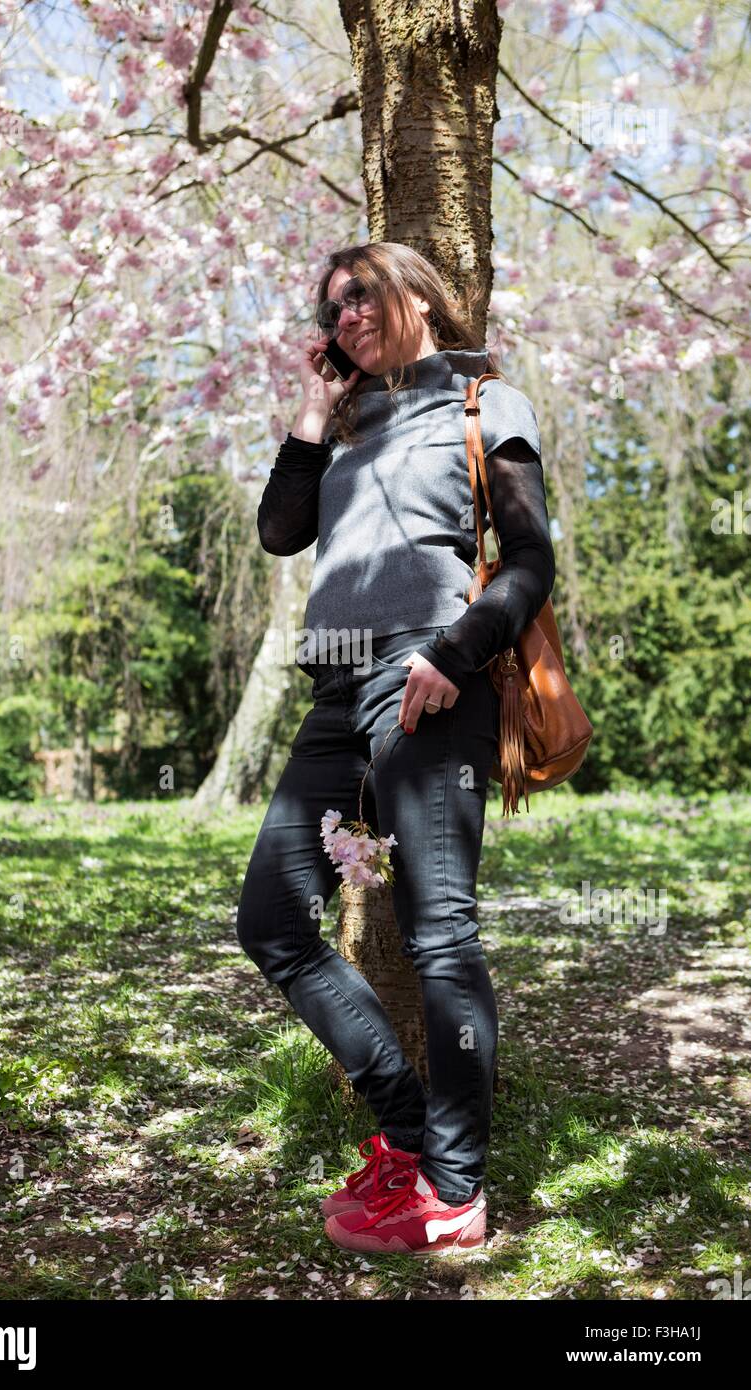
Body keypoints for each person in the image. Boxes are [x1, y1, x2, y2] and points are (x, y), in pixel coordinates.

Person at [235, 241, 556, 1257]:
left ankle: (454, 1187)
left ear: (414, 290)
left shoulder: (482, 402)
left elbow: (529, 561)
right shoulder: (348, 419)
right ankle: (407, 1128)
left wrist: (454, 655)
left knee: (438, 935)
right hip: (333, 689)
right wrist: (311, 409)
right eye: (330, 308)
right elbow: (280, 529)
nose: (344, 316)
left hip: (429, 685)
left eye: (359, 294)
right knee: (273, 919)